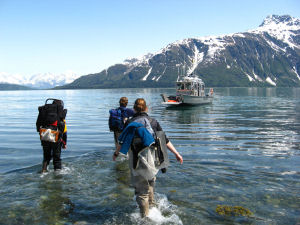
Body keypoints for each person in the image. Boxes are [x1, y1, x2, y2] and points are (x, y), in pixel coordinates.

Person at [113, 98, 183, 218]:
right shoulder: (153, 122)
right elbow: (164, 140)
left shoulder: (129, 123)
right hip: (152, 160)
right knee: (150, 183)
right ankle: (153, 210)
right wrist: (176, 153)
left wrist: (116, 153)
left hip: (136, 161)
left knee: (141, 192)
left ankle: (146, 219)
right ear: (146, 108)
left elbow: (122, 141)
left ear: (134, 109)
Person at [36, 99, 67, 173]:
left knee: (46, 157)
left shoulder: (44, 113)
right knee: (57, 158)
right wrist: (64, 143)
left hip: (44, 136)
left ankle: (43, 172)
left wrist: (42, 134)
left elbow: (38, 125)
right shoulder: (60, 114)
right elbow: (64, 131)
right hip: (56, 137)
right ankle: (58, 174)